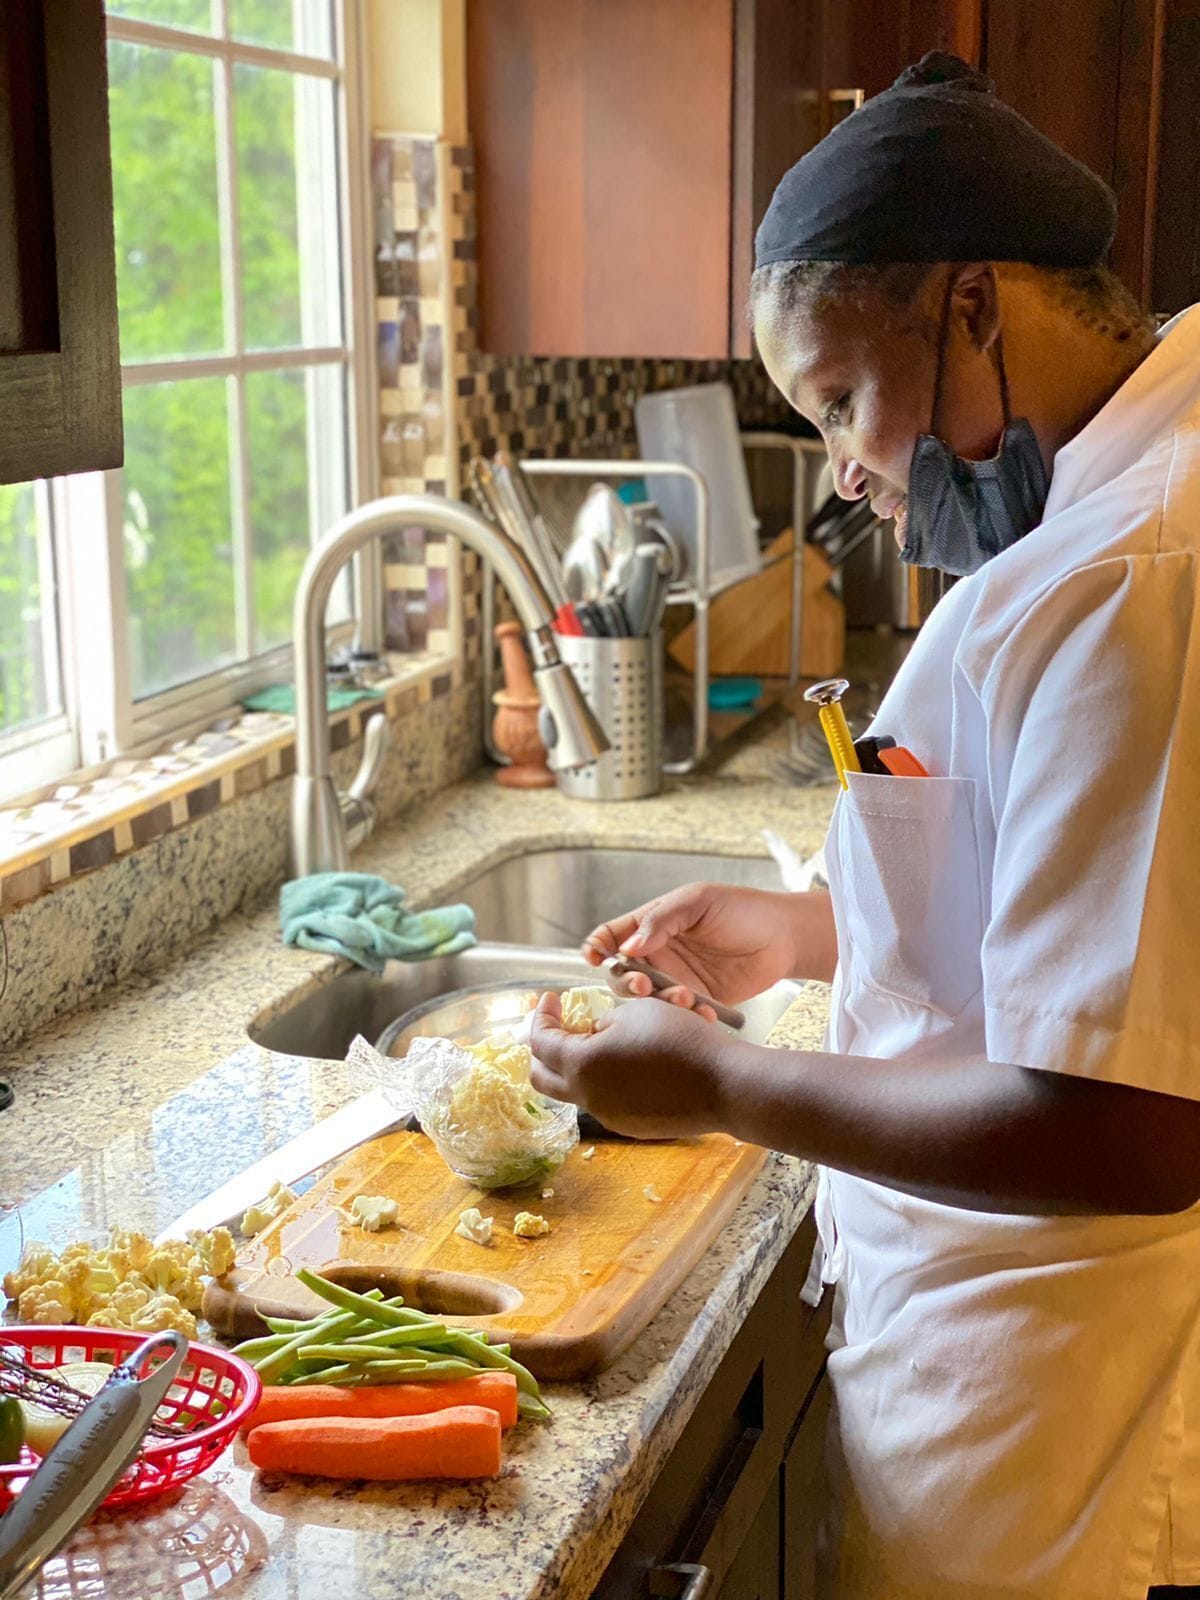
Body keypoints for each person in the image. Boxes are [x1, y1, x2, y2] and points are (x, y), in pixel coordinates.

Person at [529, 53, 1200, 1600]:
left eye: (841, 399)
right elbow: (1088, 894)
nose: (842, 474)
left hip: (1053, 1426)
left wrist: (723, 1080)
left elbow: (1132, 1121)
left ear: (974, 306)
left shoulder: (1130, 573)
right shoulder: (1095, 508)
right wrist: (816, 928)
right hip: (997, 1367)